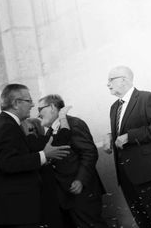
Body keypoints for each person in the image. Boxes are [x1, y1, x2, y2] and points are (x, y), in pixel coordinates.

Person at [0, 83, 70, 228]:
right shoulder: (6, 126)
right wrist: (44, 155)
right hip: (16, 210)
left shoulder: (5, 124)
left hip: (15, 209)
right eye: (29, 101)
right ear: (16, 103)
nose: (32, 105)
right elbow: (8, 164)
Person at [103, 66, 151, 227]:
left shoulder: (147, 98)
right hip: (125, 175)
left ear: (124, 79)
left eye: (111, 80)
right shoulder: (114, 108)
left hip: (148, 171)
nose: (107, 84)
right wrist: (111, 137)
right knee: (143, 221)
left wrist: (130, 136)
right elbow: (122, 130)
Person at [38, 95, 108, 228]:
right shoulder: (49, 133)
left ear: (52, 107)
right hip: (65, 196)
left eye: (40, 109)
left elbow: (89, 153)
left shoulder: (74, 123)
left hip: (82, 193)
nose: (38, 114)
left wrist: (80, 180)